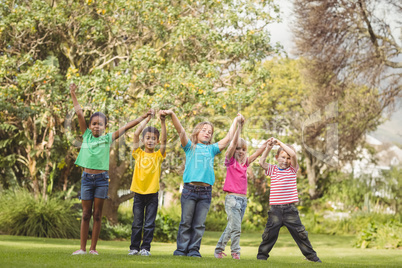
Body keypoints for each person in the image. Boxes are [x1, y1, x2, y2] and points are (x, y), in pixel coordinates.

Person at [70, 83, 154, 255]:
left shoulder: (108, 138)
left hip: (101, 180)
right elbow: (79, 113)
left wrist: (144, 117)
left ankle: (93, 249)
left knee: (98, 214)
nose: (96, 126)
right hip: (87, 179)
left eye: (100, 124)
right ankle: (82, 249)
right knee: (86, 214)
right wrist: (73, 93)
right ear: (90, 125)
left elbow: (127, 127)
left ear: (105, 127)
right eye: (93, 123)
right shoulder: (86, 135)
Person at [161, 110, 244, 257]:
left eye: (210, 132)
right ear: (197, 132)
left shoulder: (212, 149)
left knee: (199, 225)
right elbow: (180, 129)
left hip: (205, 193)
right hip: (189, 190)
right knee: (186, 222)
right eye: (204, 130)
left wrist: (236, 121)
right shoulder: (189, 147)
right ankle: (181, 250)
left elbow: (228, 138)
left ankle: (193, 250)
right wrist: (172, 114)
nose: (207, 133)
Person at [256, 137, 321, 263]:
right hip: (275, 210)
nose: (286, 160)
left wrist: (280, 143)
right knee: (269, 234)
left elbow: (293, 153)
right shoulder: (273, 170)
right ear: (277, 157)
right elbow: (261, 162)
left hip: (290, 210)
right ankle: (262, 257)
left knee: (301, 234)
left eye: (288, 158)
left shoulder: (293, 170)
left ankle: (312, 257)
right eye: (283, 157)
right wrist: (268, 147)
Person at [214, 125, 268, 260]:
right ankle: (235, 252)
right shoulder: (230, 162)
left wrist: (268, 145)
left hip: (243, 200)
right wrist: (239, 127)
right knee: (236, 228)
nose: (240, 151)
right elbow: (231, 147)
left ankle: (219, 250)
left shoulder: (245, 164)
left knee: (232, 227)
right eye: (238, 149)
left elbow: (256, 154)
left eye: (243, 149)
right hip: (232, 199)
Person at [128, 110, 167, 256]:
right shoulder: (138, 152)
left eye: (153, 138)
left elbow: (164, 140)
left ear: (157, 141)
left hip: (152, 194)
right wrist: (147, 118)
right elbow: (136, 134)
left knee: (149, 224)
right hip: (138, 193)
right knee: (137, 223)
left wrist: (162, 122)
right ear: (144, 140)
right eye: (148, 138)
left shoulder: (158, 155)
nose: (150, 140)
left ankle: (145, 248)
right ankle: (134, 248)